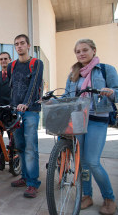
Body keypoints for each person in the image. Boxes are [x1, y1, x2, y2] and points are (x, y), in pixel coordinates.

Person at [61, 39, 117, 214]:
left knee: (92, 161)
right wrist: (50, 100)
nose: (81, 54)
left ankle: (109, 198)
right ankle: (87, 196)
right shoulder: (74, 74)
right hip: (78, 119)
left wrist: (112, 92)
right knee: (82, 162)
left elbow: (117, 91)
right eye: (78, 51)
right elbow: (67, 96)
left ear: (93, 50)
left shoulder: (106, 69)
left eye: (85, 50)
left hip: (97, 119)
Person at [8, 34, 43, 198]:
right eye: (16, 44)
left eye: (22, 43)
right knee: (20, 146)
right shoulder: (12, 66)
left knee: (30, 147)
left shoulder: (36, 63)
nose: (19, 46)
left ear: (28, 45)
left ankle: (33, 183)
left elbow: (34, 85)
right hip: (16, 111)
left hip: (31, 111)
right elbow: (12, 87)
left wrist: (26, 104)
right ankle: (25, 176)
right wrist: (12, 107)